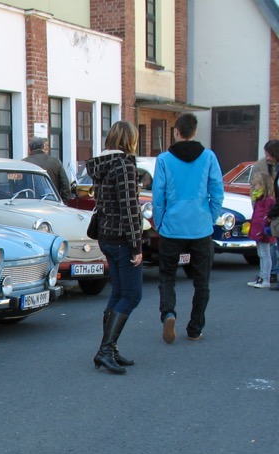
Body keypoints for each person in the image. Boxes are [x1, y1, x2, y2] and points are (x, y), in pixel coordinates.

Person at [152, 113, 224, 342]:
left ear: (176, 131)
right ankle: (195, 328)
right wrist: (210, 218)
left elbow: (158, 196)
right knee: (202, 281)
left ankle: (169, 313)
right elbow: (217, 192)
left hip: (172, 226)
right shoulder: (209, 157)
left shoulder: (164, 159)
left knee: (167, 276)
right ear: (195, 131)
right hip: (200, 227)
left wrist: (160, 222)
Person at [85, 121, 143, 374]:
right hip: (121, 238)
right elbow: (130, 209)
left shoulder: (102, 165)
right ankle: (106, 350)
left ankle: (111, 349)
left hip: (106, 236)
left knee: (119, 293)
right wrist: (137, 246)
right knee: (132, 295)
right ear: (129, 140)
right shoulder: (124, 166)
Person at [248, 140, 279, 288]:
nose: (267, 157)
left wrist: (267, 218)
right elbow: (253, 185)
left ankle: (268, 276)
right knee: (264, 251)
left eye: (268, 154)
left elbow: (268, 210)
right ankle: (265, 276)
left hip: (269, 220)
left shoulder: (268, 201)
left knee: (268, 250)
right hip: (265, 220)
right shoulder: (260, 166)